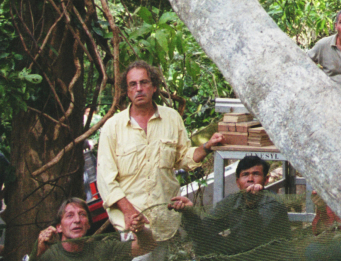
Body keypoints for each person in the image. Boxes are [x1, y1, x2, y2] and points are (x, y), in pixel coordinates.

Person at [98, 61, 225, 261]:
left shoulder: (172, 118)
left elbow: (182, 158)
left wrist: (206, 147)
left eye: (144, 82)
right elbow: (106, 180)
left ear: (154, 86)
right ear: (127, 91)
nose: (139, 88)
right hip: (131, 222)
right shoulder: (112, 127)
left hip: (164, 216)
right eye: (133, 84)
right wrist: (130, 213)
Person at [169, 156, 290, 260]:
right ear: (238, 182)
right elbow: (204, 232)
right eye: (245, 175)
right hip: (240, 253)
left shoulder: (274, 203)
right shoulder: (232, 201)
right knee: (205, 244)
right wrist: (190, 213)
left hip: (269, 256)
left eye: (256, 174)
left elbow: (252, 238)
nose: (250, 179)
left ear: (266, 180)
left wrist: (250, 205)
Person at [36, 199, 154, 261]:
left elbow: (147, 246)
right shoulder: (49, 255)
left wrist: (140, 229)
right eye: (70, 216)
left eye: (82, 215)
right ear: (59, 227)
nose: (77, 220)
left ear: (88, 224)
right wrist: (39, 253)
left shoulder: (102, 250)